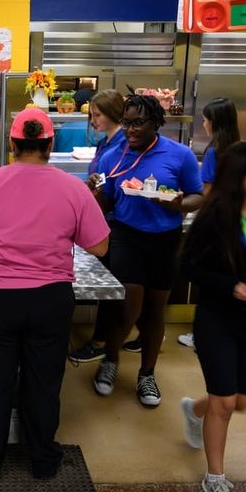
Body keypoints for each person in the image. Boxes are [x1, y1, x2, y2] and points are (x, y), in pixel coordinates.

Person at [0, 108, 110, 486]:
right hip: (49, 299)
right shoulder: (73, 188)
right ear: (50, 144)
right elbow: (100, 246)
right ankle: (43, 461)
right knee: (43, 382)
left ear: (12, 143)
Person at [179, 141, 246, 492]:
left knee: (240, 401)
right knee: (224, 402)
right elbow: (188, 267)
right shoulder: (214, 217)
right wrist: (232, 287)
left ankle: (195, 410)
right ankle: (214, 476)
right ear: (240, 177)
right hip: (216, 319)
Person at [88, 94, 204, 407]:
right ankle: (110, 360)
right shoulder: (114, 157)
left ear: (156, 122)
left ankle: (147, 373)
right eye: (126, 123)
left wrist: (178, 204)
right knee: (127, 307)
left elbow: (197, 196)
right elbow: (107, 204)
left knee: (154, 311)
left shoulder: (179, 155)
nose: (131, 130)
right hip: (126, 236)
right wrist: (94, 192)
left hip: (165, 240)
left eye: (138, 123)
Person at [176, 98, 243, 350]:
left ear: (214, 122)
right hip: (235, 221)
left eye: (204, 120)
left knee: (210, 286)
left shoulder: (214, 151)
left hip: (217, 223)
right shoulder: (237, 148)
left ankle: (203, 336)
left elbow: (206, 193)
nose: (203, 124)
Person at [70, 89, 127, 363]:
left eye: (97, 115)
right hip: (104, 216)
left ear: (114, 114)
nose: (93, 120)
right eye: (91, 115)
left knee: (112, 287)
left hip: (115, 221)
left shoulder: (123, 145)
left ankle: (101, 342)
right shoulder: (107, 142)